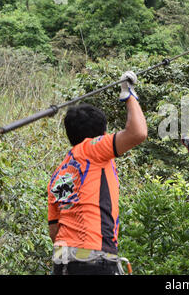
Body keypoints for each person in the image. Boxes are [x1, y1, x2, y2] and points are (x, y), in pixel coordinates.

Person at [47, 71, 147, 275]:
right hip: (94, 258)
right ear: (102, 134)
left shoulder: (60, 173)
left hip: (63, 260)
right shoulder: (93, 148)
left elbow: (54, 230)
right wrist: (129, 96)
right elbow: (138, 133)